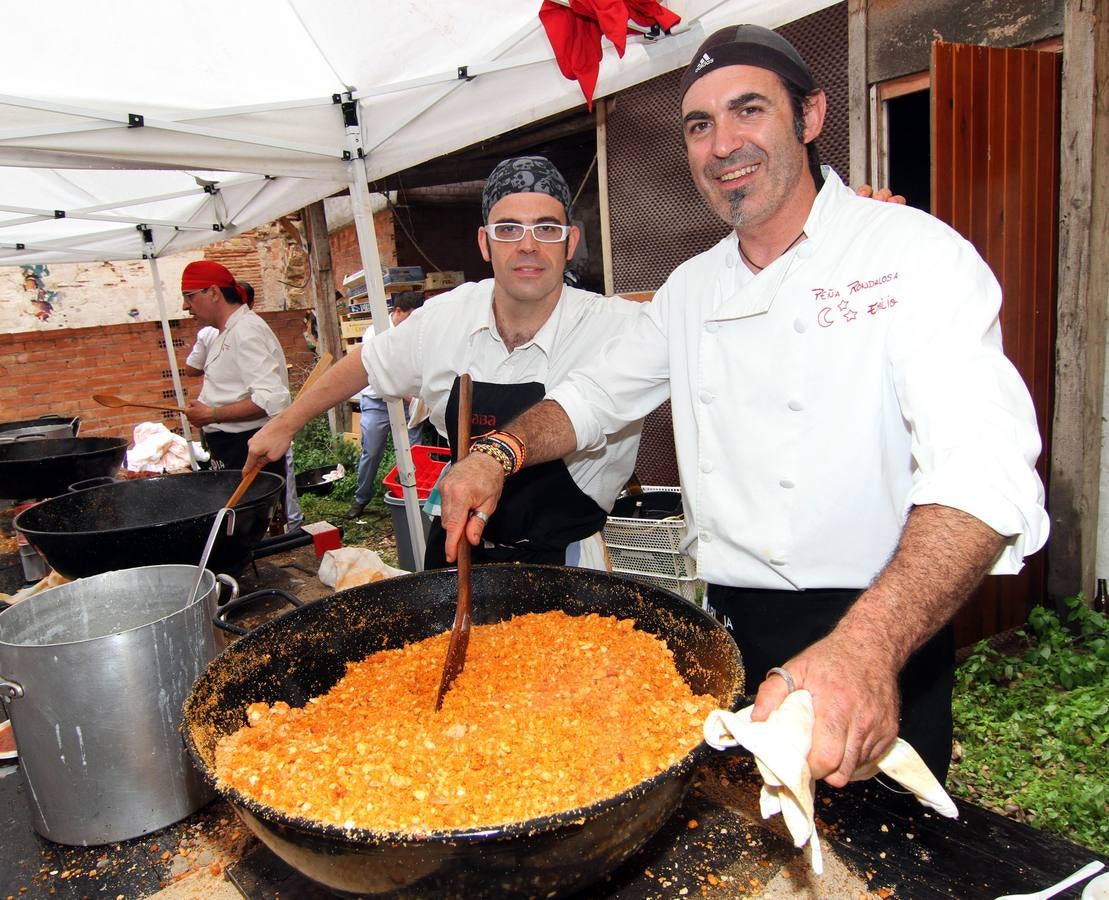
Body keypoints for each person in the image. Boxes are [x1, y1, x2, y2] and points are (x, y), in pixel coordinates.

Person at [436, 25, 1048, 787]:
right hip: (727, 622)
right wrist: (497, 454)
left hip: (877, 621)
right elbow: (593, 395)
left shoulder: (910, 254)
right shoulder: (690, 288)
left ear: (810, 116)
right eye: (699, 125)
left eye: (747, 110)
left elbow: (980, 471)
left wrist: (866, 648)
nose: (722, 143)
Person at [245, 156, 646, 568]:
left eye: (546, 228)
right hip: (457, 553)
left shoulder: (617, 330)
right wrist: (284, 423)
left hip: (565, 560)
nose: (528, 245)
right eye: (507, 229)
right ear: (484, 243)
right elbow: (367, 362)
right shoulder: (444, 318)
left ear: (571, 242)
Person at [181, 276, 302, 530]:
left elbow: (269, 399)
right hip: (229, 446)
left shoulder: (246, 331)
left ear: (213, 292)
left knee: (251, 523)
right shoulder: (228, 331)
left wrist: (212, 414)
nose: (185, 306)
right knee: (241, 521)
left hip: (246, 445)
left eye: (190, 296)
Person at [347, 290, 427, 519]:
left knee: (415, 451)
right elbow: (380, 375)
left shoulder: (417, 329)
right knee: (372, 452)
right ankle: (361, 498)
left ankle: (413, 496)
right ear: (397, 311)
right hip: (377, 400)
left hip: (408, 399)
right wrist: (409, 396)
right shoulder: (376, 332)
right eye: (408, 316)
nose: (411, 322)